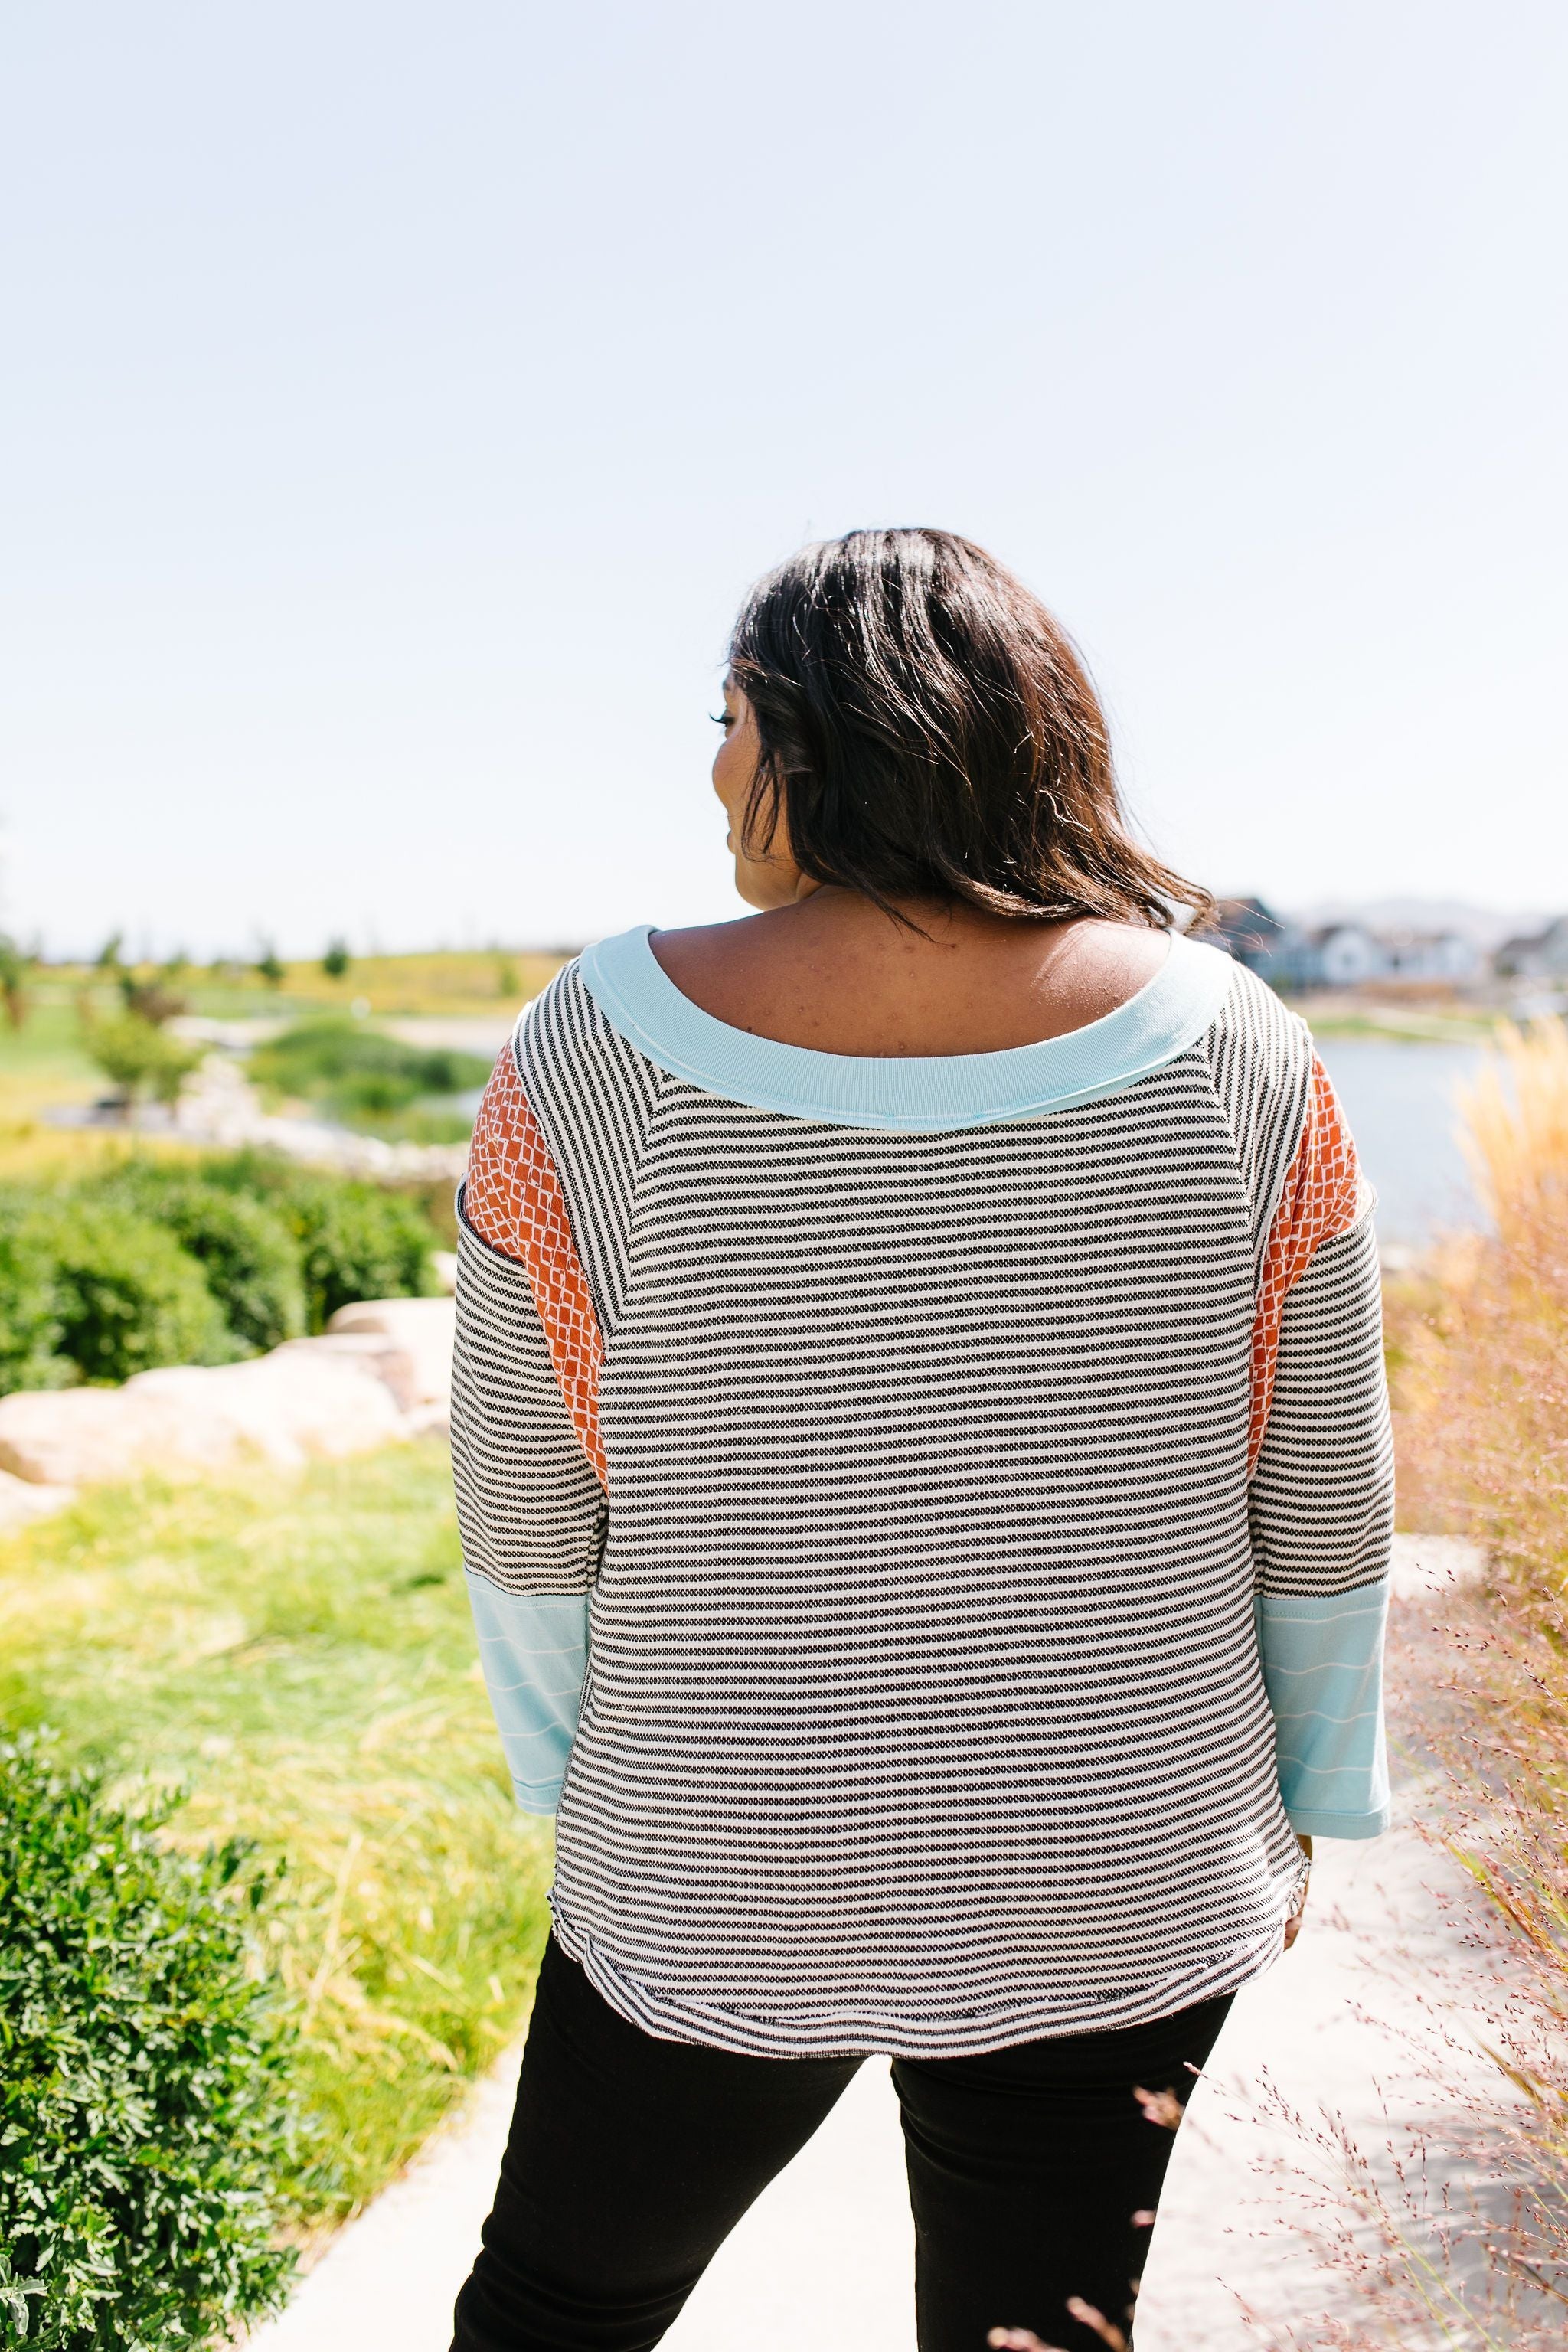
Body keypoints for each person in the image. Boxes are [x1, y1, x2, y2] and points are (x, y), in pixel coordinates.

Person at [448, 528, 1393, 2352]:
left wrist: (579, 1779)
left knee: (558, 2307)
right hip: (1118, 1863)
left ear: (817, 738)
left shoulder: (591, 1044)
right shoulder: (1242, 1048)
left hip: (715, 1856)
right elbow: (1319, 1488)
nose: (713, 766)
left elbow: (524, 1491)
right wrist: (1311, 1804)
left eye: (728, 720)